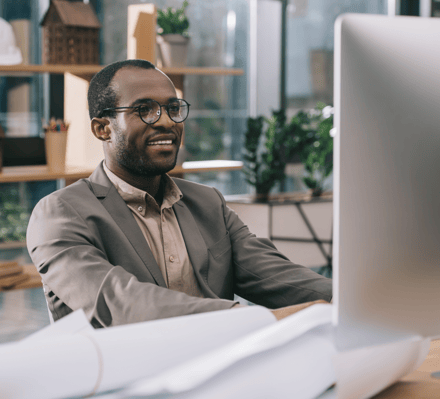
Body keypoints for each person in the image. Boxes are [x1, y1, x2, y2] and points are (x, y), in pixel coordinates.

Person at [27, 59, 332, 328]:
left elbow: (276, 276)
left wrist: (356, 298)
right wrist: (260, 320)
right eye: (144, 110)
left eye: (172, 108)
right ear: (102, 129)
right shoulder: (59, 214)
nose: (165, 121)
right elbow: (124, 305)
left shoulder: (208, 202)